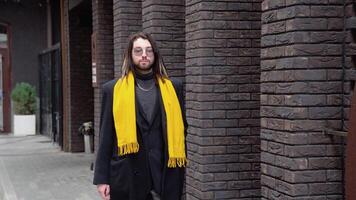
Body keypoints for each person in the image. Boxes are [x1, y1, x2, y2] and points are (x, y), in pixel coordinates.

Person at [93, 32, 187, 200]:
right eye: (138, 50)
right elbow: (105, 136)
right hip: (127, 174)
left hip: (164, 173)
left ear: (155, 55)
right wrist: (102, 179)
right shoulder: (113, 90)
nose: (144, 55)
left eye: (149, 50)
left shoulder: (174, 88)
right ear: (130, 55)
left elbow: (182, 129)